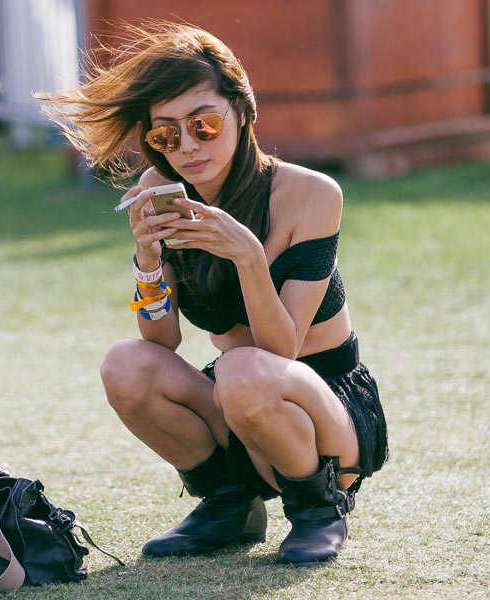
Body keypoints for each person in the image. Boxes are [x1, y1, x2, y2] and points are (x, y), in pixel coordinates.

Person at [39, 21, 388, 566]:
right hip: (239, 400)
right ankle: (231, 504)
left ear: (242, 111)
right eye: (165, 135)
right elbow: (161, 340)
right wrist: (147, 261)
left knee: (243, 368)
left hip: (325, 411)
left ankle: (319, 511)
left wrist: (247, 255)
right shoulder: (160, 191)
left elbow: (281, 351)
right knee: (126, 366)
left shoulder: (310, 195)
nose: (187, 146)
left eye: (204, 124)